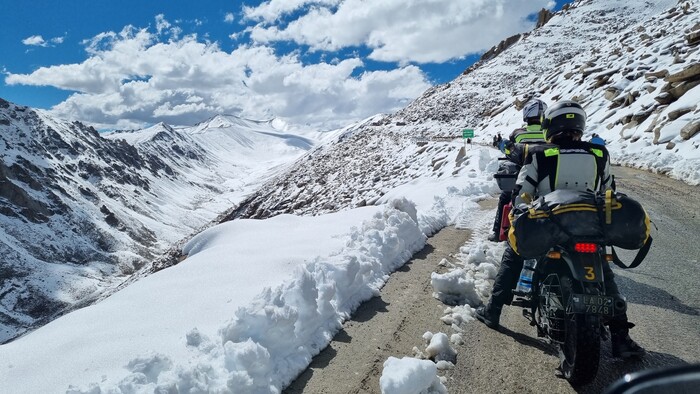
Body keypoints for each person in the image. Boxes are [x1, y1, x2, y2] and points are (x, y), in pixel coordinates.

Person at [476, 100, 645, 359]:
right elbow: (608, 192)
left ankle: (493, 310)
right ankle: (621, 337)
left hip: (552, 227)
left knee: (513, 254)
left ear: (550, 127)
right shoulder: (599, 155)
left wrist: (518, 215)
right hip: (590, 229)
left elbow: (522, 194)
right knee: (605, 275)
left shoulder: (540, 154)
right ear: (580, 126)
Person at [487, 98, 548, 242]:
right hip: (547, 176)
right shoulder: (549, 134)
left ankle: (497, 232)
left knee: (505, 198)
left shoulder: (518, 133)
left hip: (523, 176)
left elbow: (510, 151)